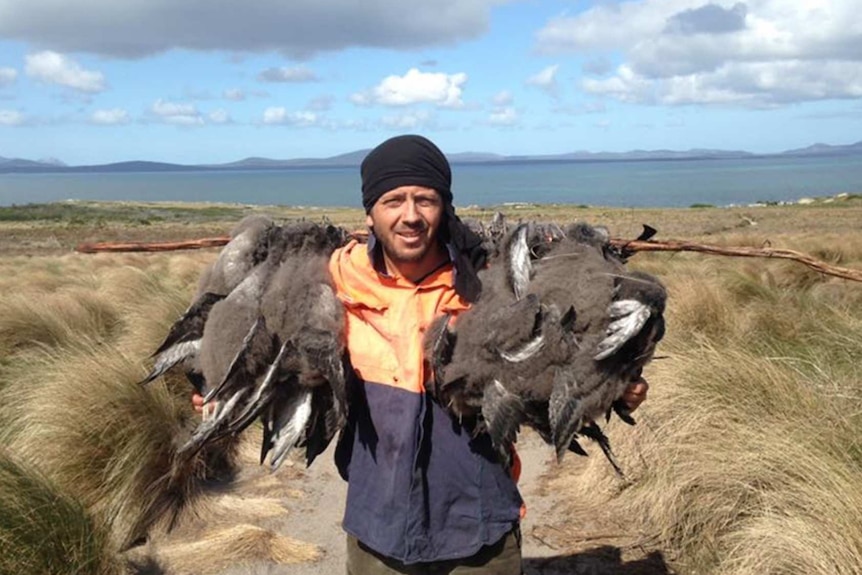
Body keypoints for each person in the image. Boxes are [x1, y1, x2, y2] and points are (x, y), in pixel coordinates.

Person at [193, 134, 649, 574]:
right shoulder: (330, 285)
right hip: (378, 532)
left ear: (443, 207)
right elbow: (266, 362)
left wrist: (611, 388)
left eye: (424, 199)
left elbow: (561, 366)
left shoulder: (495, 287)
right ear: (370, 213)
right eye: (393, 201)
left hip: (481, 532)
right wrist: (220, 389)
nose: (410, 215)